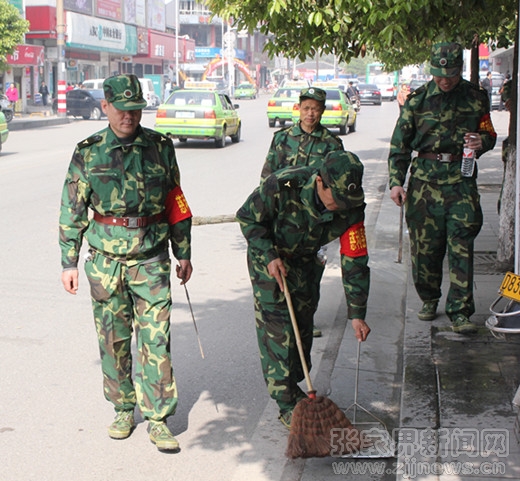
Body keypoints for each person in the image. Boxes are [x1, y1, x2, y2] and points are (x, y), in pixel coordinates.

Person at [59, 74, 193, 452]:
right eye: (121, 109)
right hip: (105, 261)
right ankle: (122, 407)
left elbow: (176, 203)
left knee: (156, 340)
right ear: (106, 107)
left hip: (151, 259)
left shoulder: (160, 147)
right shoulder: (88, 151)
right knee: (113, 339)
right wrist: (69, 262)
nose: (128, 117)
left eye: (135, 110)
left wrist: (183, 252)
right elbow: (72, 209)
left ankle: (158, 417)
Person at [237, 151, 371, 429]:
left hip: (307, 263)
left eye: (346, 202)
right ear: (320, 182)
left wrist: (357, 313)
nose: (339, 208)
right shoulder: (284, 185)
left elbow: (355, 259)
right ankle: (286, 402)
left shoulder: (352, 206)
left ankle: (297, 382)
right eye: (335, 199)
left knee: (303, 325)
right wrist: (269, 254)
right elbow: (249, 218)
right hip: (271, 261)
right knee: (279, 330)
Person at [388, 42, 497, 334]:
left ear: (460, 70)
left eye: (450, 73)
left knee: (461, 246)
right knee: (426, 248)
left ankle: (460, 311)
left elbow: (489, 133)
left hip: (461, 183)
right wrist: (396, 182)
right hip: (424, 184)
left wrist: (481, 142)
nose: (445, 79)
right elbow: (399, 146)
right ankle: (429, 298)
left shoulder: (476, 99)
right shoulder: (417, 101)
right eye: (439, 74)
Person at [261, 86, 344, 338]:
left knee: (311, 270)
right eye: (306, 108)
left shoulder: (332, 143)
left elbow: (335, 183)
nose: (310, 114)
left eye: (316, 110)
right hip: (284, 216)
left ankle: (307, 317)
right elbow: (267, 178)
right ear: (298, 109)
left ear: (322, 112)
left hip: (314, 220)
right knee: (283, 265)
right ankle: (287, 317)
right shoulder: (282, 138)